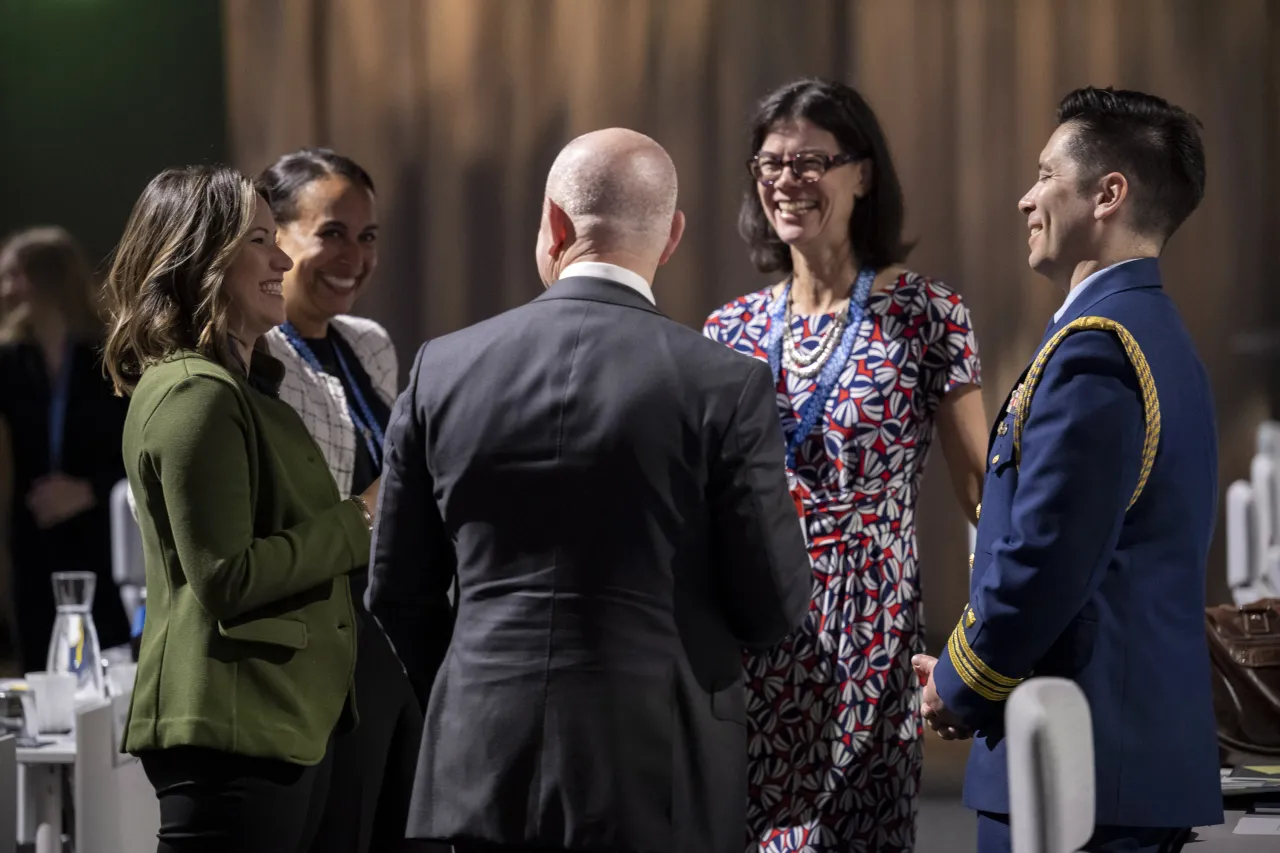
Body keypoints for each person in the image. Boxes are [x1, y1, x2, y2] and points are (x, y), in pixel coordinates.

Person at [366, 127, 811, 853]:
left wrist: (477, 689)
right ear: (671, 237)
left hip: (476, 766)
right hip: (657, 776)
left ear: (555, 225)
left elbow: (394, 591)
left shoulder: (442, 369)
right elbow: (772, 607)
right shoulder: (724, 385)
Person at [913, 86, 1221, 853]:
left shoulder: (1097, 349)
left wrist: (958, 680)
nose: (1025, 197)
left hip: (1079, 772)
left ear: (1108, 194)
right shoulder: (1151, 332)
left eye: (1046, 173)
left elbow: (1046, 557)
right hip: (1115, 763)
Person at [702, 77, 988, 852]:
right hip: (755, 631)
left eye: (809, 163)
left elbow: (982, 490)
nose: (786, 183)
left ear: (862, 174)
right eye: (770, 165)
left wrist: (981, 645)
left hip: (871, 631)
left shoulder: (927, 313)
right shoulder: (729, 327)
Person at [103, 164, 381, 852]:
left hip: (278, 722)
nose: (282, 259)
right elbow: (226, 574)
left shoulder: (245, 389)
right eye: (261, 240)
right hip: (233, 731)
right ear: (201, 257)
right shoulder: (194, 393)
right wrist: (362, 519)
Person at [259, 147, 421, 853]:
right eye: (331, 232)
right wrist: (378, 499)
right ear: (277, 238)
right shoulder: (258, 357)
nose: (353, 254)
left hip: (393, 638)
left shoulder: (370, 343)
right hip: (318, 650)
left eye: (367, 235)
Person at [0, 227, 131, 672]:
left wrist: (89, 490)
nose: (6, 289)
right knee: (44, 663)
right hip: (36, 537)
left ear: (49, 276)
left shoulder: (111, 354)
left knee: (109, 659)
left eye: (16, 274)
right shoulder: (11, 361)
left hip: (102, 532)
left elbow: (144, 451)